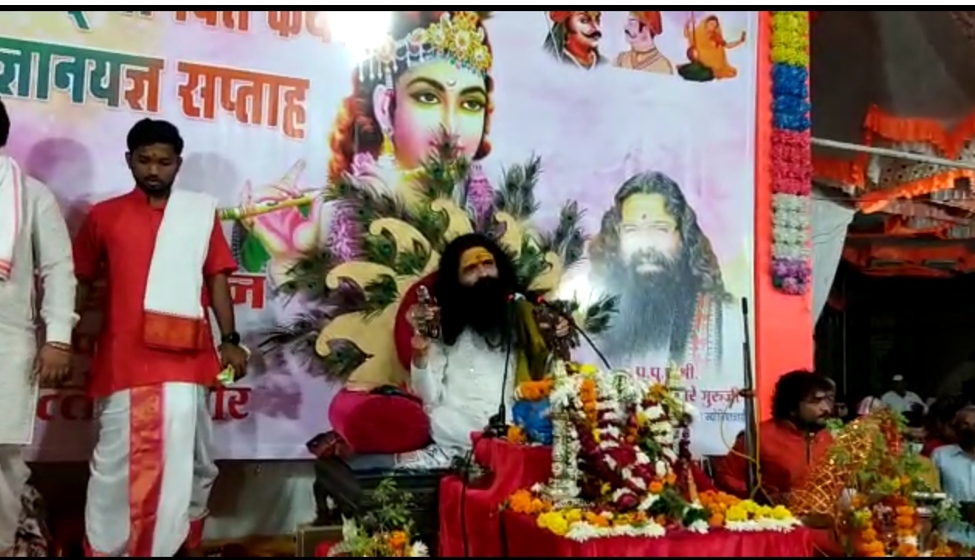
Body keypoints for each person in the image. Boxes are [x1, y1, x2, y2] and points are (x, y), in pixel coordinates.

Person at [73, 118, 248, 557]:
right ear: (128, 160)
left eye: (164, 162)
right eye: (145, 160)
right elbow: (81, 280)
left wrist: (230, 338)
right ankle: (107, 549)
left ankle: (176, 548)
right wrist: (65, 335)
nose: (154, 170)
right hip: (123, 360)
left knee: (190, 465)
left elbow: (217, 280)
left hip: (187, 361)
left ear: (178, 164)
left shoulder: (198, 215)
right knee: (114, 467)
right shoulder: (103, 216)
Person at [0, 99, 76, 557]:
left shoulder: (30, 196)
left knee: (3, 457)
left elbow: (59, 270)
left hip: (7, 341)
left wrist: (59, 340)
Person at [713, 370, 834, 504]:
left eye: (828, 400)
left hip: (822, 515)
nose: (826, 408)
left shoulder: (827, 439)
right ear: (792, 407)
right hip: (773, 515)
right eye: (816, 401)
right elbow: (725, 475)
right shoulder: (759, 436)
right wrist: (760, 496)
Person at [932, 405, 975, 547]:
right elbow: (931, 497)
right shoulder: (940, 455)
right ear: (956, 427)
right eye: (965, 424)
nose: (971, 429)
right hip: (950, 537)